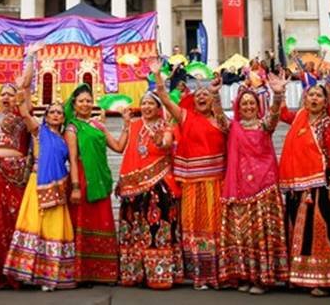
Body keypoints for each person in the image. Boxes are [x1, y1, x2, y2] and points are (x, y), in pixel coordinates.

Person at [278, 83, 330, 297]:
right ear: (305, 100)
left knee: (321, 231)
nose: (314, 98)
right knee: (301, 233)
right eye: (310, 95)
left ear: (325, 102)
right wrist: (279, 92)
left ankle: (325, 279)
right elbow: (282, 114)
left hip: (321, 186)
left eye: (318, 96)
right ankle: (301, 277)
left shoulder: (328, 126)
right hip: (298, 187)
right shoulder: (300, 118)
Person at [152, 60, 226, 290]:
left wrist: (216, 93)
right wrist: (157, 75)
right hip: (191, 183)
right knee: (193, 227)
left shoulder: (220, 120)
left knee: (215, 227)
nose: (202, 97)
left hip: (215, 182)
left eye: (206, 95)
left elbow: (225, 125)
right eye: (198, 95)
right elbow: (165, 99)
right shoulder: (185, 117)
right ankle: (198, 274)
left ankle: (218, 273)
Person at [0, 46, 39, 290]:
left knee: (10, 221)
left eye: (10, 94)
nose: (6, 97)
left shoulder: (22, 115)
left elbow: (26, 86)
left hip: (13, 175)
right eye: (3, 94)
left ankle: (15, 273)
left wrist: (30, 58)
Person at [217, 77, 289, 294]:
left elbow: (274, 115)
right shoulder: (233, 127)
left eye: (252, 103)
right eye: (244, 104)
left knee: (261, 233)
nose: (248, 106)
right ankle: (246, 275)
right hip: (239, 186)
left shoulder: (265, 125)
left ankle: (262, 278)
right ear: (238, 108)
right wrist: (214, 95)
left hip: (264, 185)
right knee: (243, 234)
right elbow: (219, 117)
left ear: (258, 107)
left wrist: (278, 95)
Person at [4, 101, 76, 291]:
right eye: (52, 112)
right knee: (35, 224)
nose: (56, 115)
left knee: (54, 227)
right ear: (46, 116)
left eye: (59, 113)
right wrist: (22, 96)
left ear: (64, 118)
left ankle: (50, 275)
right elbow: (25, 115)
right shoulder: (39, 132)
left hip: (58, 185)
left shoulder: (65, 138)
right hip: (38, 184)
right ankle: (30, 273)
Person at [116, 92, 182, 289]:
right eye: (143, 103)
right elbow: (119, 147)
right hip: (134, 188)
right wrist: (121, 125)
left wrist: (159, 140)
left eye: (151, 103)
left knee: (157, 229)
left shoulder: (166, 125)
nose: (146, 107)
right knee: (135, 230)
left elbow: (166, 143)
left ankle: (159, 274)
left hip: (159, 184)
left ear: (158, 107)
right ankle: (134, 273)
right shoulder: (134, 125)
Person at [65, 82, 129, 284]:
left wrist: (126, 125)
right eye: (81, 101)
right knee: (83, 222)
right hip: (83, 179)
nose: (85, 104)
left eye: (88, 101)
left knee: (103, 221)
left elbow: (118, 147)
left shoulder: (98, 125)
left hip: (100, 180)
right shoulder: (72, 128)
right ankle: (82, 273)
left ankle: (105, 273)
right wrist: (75, 187)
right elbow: (73, 159)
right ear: (74, 104)